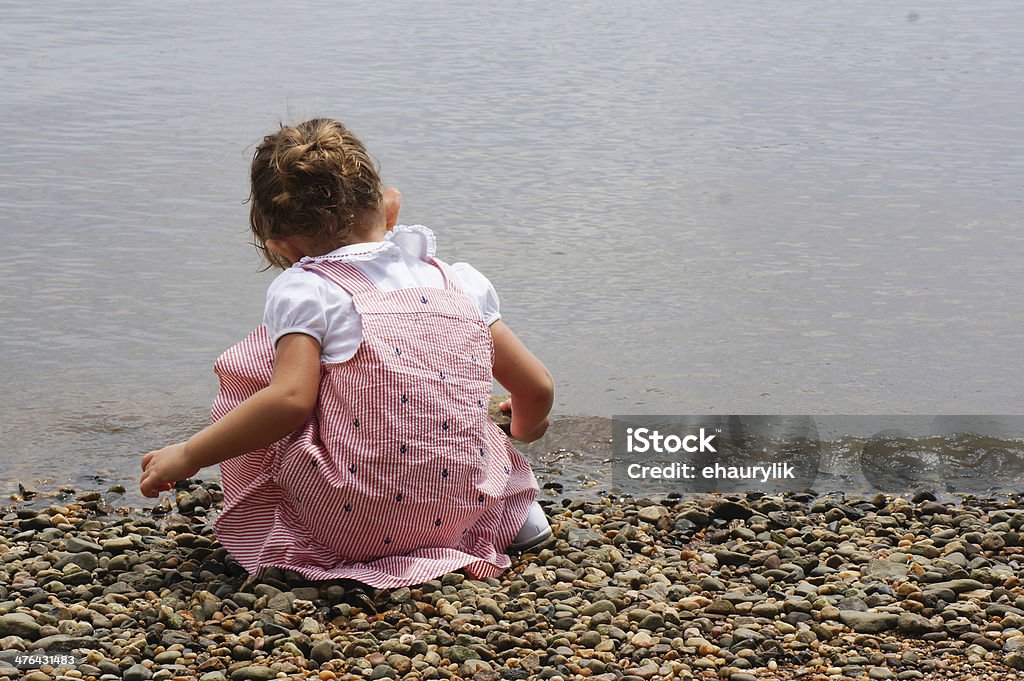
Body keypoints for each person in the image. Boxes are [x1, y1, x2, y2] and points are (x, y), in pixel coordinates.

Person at [140, 118, 554, 588]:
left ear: (280, 246)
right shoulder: (459, 282)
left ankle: (296, 534)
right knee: (464, 419)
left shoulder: (306, 288)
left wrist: (191, 453)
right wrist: (525, 427)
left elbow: (289, 401)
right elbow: (536, 387)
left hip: (350, 520)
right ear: (390, 208)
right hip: (460, 507)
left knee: (261, 364)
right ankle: (510, 515)